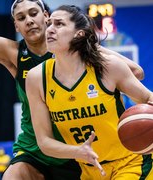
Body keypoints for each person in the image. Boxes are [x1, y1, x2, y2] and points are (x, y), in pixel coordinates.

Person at [0, 0, 145, 179]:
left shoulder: (76, 48)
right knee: (13, 175)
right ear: (16, 26)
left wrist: (96, 73)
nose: (28, 20)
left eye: (33, 13)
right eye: (21, 17)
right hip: (37, 147)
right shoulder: (13, 53)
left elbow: (135, 72)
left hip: (79, 148)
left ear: (46, 16)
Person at [26, 4, 153, 180]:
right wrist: (77, 151)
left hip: (130, 163)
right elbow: (44, 142)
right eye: (49, 24)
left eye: (59, 24)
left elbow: (148, 98)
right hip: (89, 170)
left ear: (79, 33)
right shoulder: (36, 78)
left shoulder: (106, 67)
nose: (50, 30)